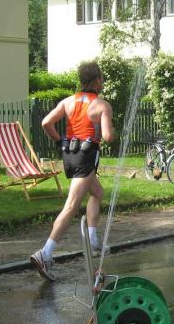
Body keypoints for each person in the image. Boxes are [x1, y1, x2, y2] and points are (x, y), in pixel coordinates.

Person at [31, 62, 114, 281]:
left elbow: (46, 122)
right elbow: (107, 137)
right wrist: (113, 133)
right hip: (86, 158)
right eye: (102, 79)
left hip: (70, 155)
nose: (102, 82)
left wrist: (60, 141)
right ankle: (45, 253)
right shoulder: (101, 105)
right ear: (97, 80)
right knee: (71, 206)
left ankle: (93, 240)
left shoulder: (68, 101)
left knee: (97, 193)